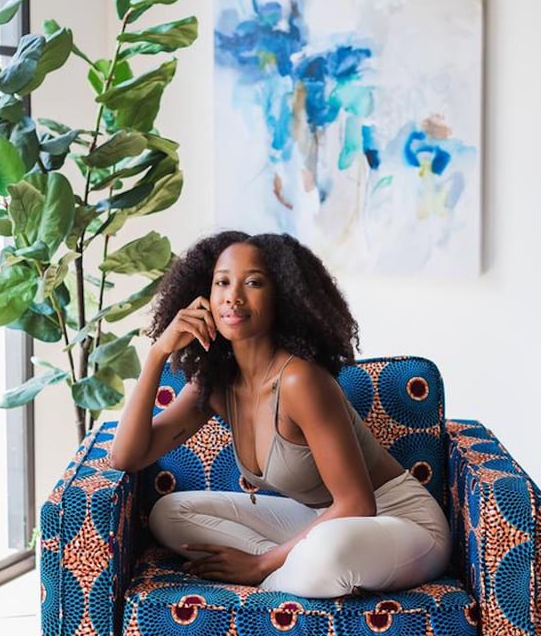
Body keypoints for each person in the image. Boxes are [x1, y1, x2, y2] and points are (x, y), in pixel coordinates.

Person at [110, 230, 452, 598]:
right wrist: (158, 352)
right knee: (169, 514)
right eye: (222, 282)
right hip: (321, 518)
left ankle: (272, 576)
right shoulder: (216, 383)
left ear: (282, 297)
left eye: (253, 283)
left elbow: (357, 503)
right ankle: (297, 572)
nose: (233, 297)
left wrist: (259, 564)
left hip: (395, 523)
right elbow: (126, 456)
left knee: (327, 553)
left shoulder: (299, 380)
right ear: (203, 296)